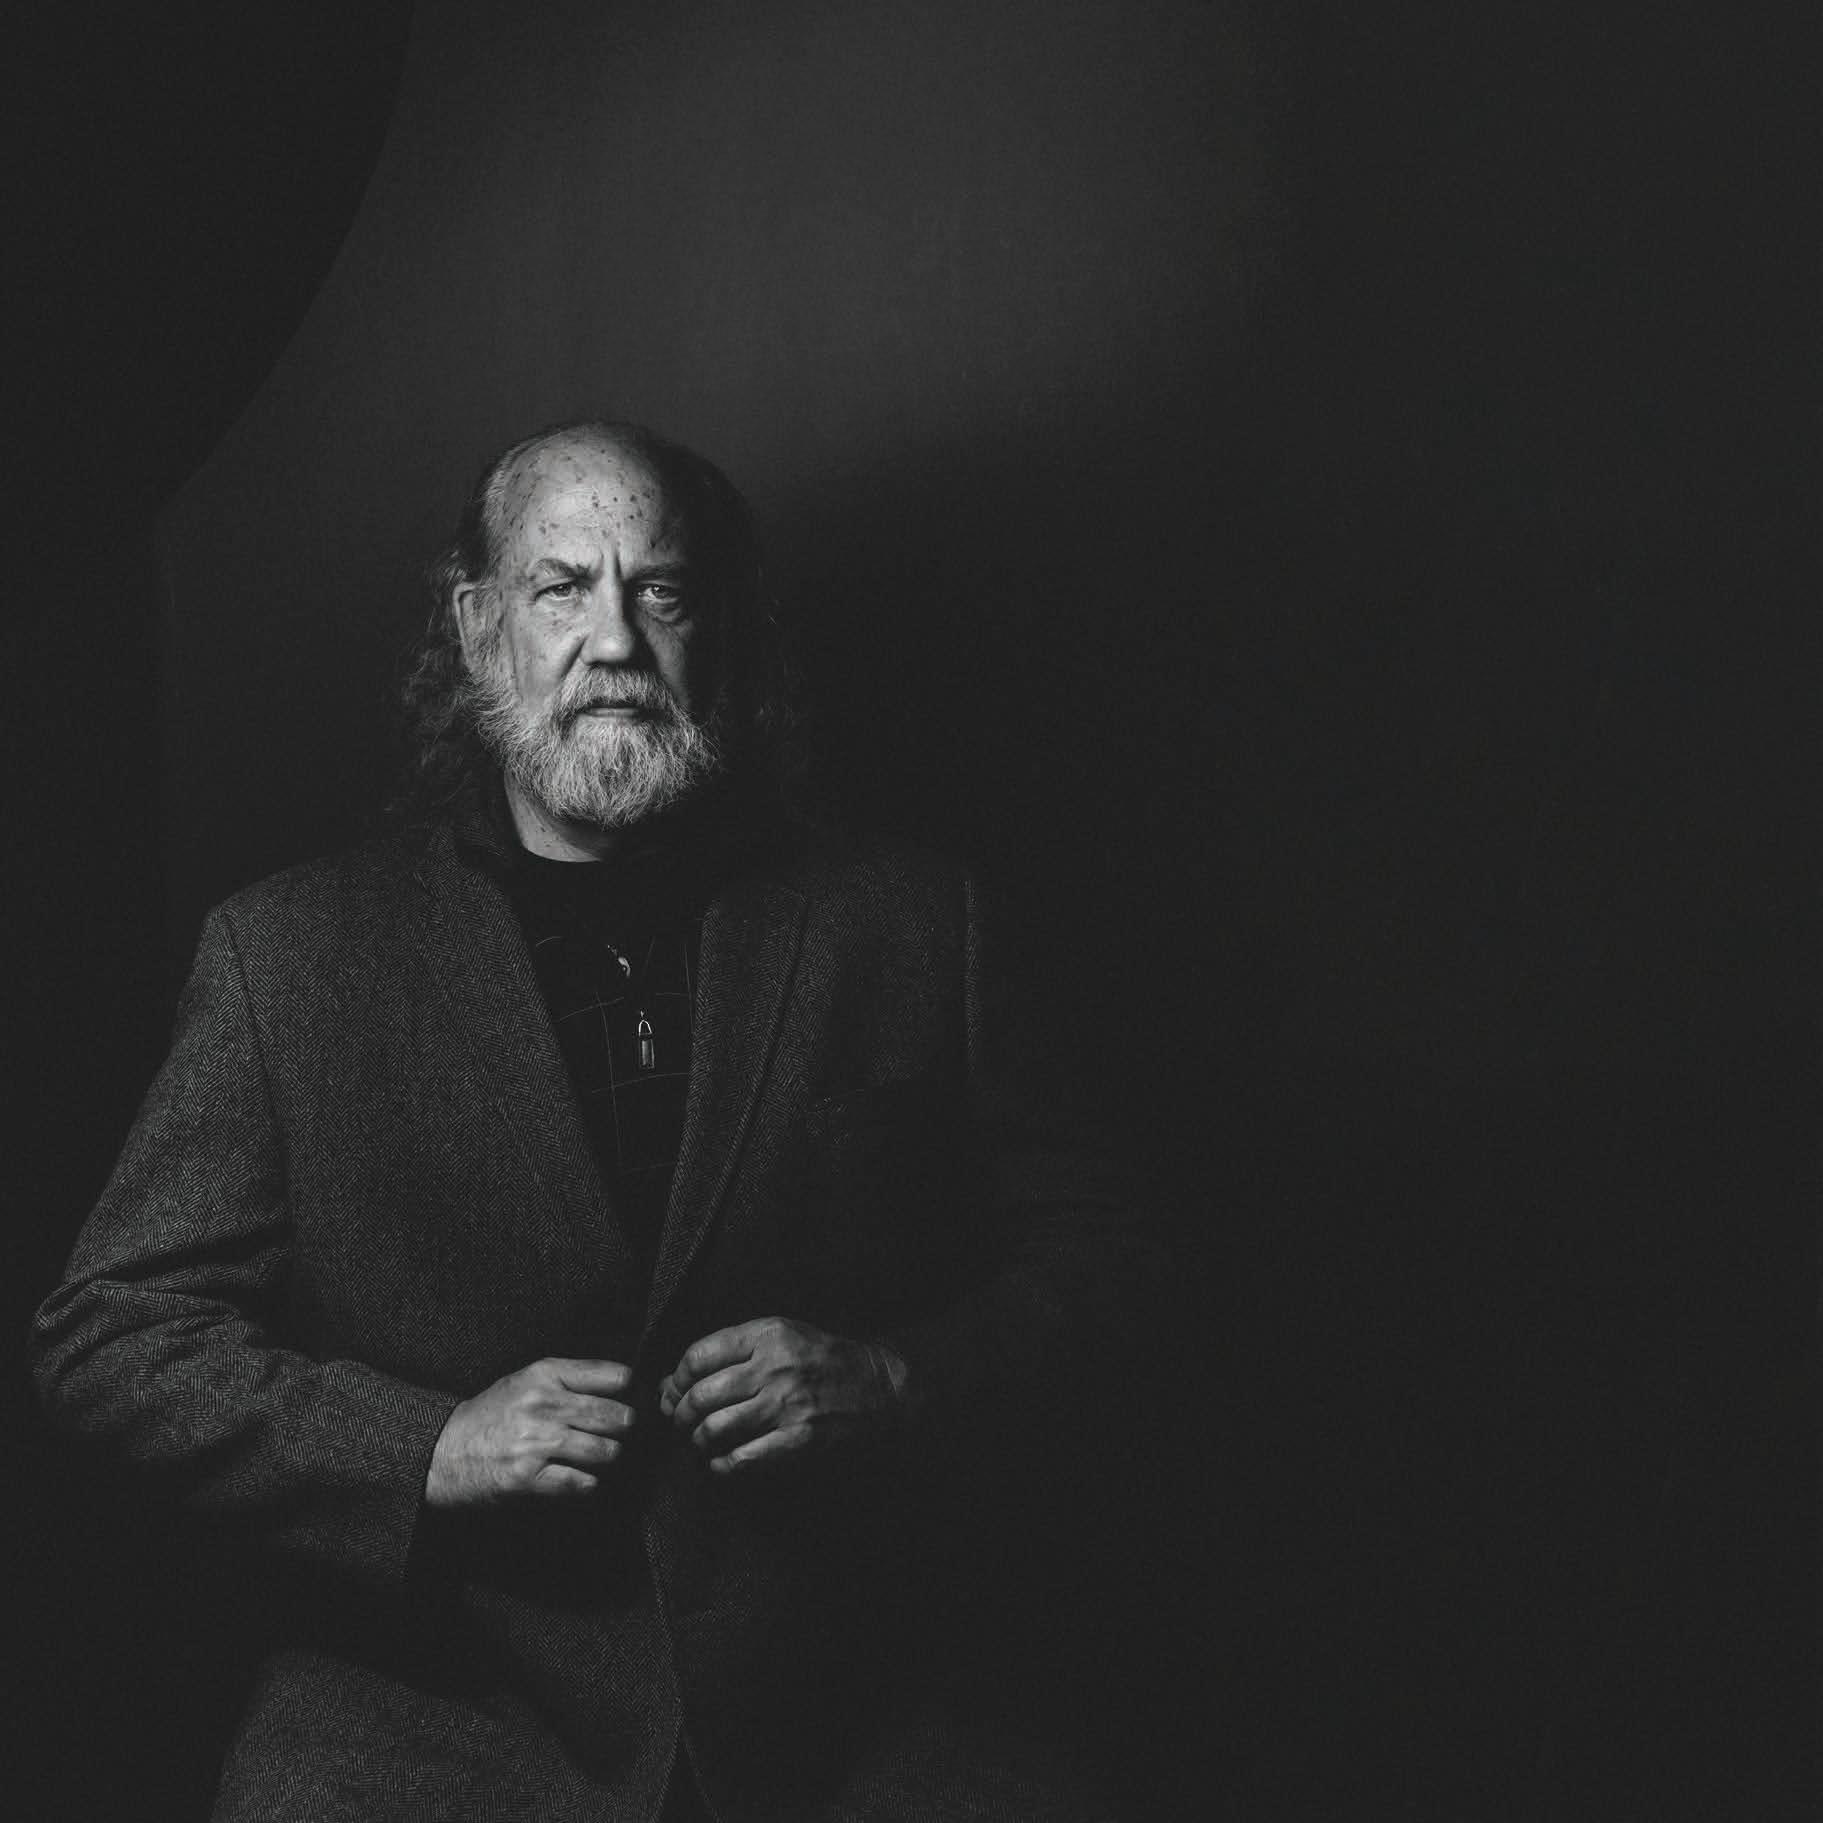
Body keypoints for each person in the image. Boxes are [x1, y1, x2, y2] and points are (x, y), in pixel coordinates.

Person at [31, 421, 1155, 1822]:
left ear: (718, 631)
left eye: (660, 591)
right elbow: (110, 1335)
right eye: (562, 587)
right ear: (478, 628)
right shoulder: (289, 958)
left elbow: (1122, 1265)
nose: (615, 640)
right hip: (431, 1714)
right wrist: (426, 1449)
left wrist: (896, 1376)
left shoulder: (918, 922)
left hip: (862, 1701)